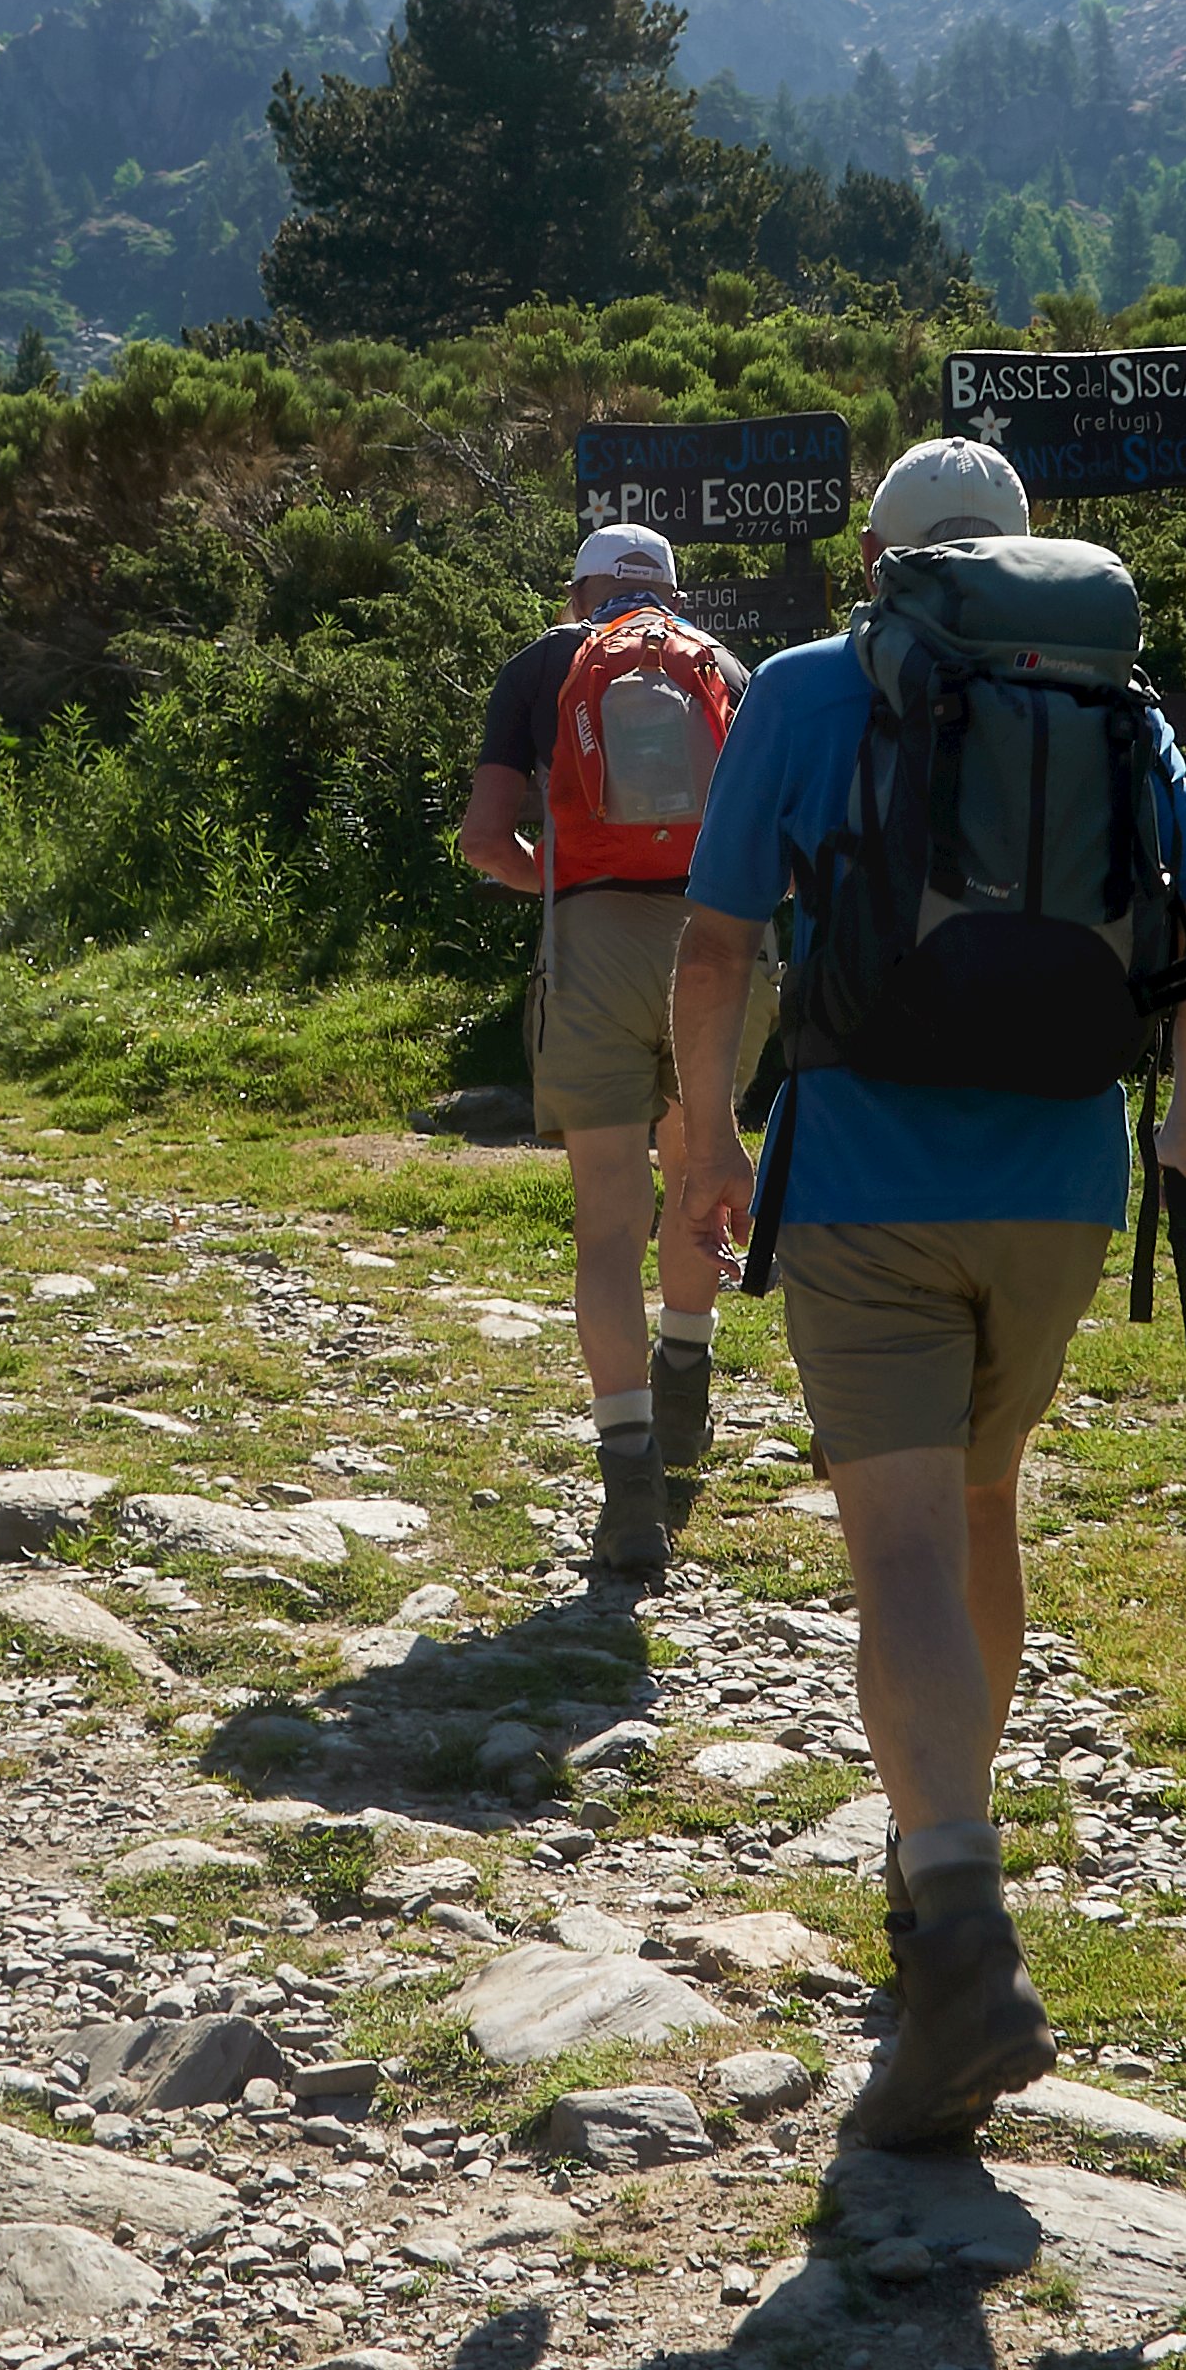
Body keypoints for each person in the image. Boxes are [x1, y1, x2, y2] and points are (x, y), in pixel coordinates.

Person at [667, 439, 1186, 2153]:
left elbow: (717, 950)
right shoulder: (1109, 700)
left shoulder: (801, 685)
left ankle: (960, 1935)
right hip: (1062, 1184)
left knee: (900, 1545)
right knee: (985, 1502)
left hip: (863, 1180)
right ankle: (950, 1865)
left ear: (880, 562)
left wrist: (708, 1142)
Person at [456, 519, 767, 1579]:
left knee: (606, 1219)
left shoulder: (543, 664)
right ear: (670, 591)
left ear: (581, 585)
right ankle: (688, 1377)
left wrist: (554, 876)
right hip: (718, 944)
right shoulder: (727, 667)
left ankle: (629, 1482)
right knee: (699, 1172)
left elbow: (484, 839)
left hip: (591, 945)